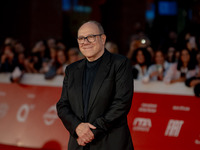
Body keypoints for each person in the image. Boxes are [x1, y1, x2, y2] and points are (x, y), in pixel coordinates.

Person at [56, 21, 134, 150]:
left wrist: (91, 132)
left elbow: (121, 103)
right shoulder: (72, 69)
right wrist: (77, 127)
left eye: (91, 37)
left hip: (109, 143)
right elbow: (62, 105)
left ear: (102, 39)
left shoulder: (120, 64)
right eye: (81, 38)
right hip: (79, 143)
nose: (85, 42)